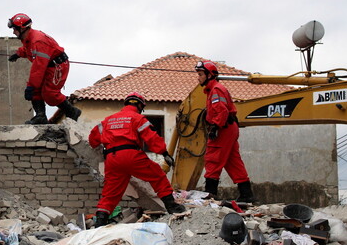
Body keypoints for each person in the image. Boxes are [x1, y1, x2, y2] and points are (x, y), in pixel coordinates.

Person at [88, 92, 185, 226]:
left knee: (110, 192)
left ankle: (100, 221)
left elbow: (93, 140)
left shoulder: (108, 120)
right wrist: (164, 153)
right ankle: (172, 207)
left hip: (112, 158)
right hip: (131, 155)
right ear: (140, 105)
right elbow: (151, 137)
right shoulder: (137, 118)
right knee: (157, 174)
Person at [194, 60, 255, 203]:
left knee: (213, 158)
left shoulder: (215, 90)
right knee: (233, 161)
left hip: (223, 128)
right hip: (229, 127)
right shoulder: (215, 89)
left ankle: (210, 194)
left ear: (209, 75)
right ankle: (247, 194)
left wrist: (215, 127)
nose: (198, 77)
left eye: (201, 74)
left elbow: (221, 110)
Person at [7, 13, 81, 124]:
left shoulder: (38, 40)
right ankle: (40, 116)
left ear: (22, 28)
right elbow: (28, 49)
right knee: (35, 89)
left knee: (49, 94)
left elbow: (38, 68)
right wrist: (18, 54)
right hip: (48, 65)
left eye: (14, 29)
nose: (13, 32)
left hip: (58, 66)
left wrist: (30, 87)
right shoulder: (29, 38)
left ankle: (72, 111)